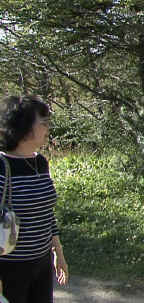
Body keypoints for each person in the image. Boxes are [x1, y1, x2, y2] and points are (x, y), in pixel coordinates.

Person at [0, 95, 68, 303]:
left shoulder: (40, 163)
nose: (48, 128)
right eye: (44, 123)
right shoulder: (2, 166)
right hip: (10, 269)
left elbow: (47, 212)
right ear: (25, 127)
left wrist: (58, 252)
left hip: (42, 263)